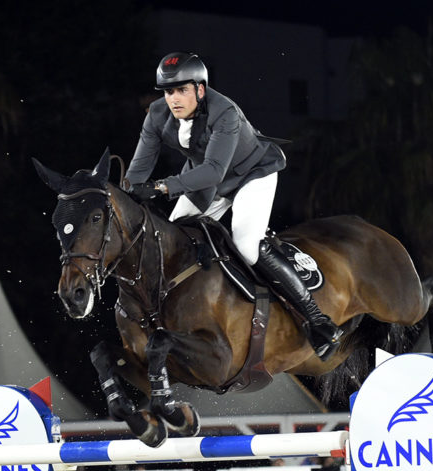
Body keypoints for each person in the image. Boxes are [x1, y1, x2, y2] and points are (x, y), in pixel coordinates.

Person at [124, 52, 343, 360]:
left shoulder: (224, 111)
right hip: (206, 180)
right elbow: (138, 170)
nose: (174, 99)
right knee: (171, 241)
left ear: (200, 90)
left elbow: (214, 169)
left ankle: (317, 320)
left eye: (182, 90)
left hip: (251, 173)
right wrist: (121, 194)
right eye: (169, 91)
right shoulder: (157, 115)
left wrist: (162, 187)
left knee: (246, 243)